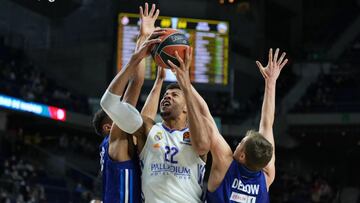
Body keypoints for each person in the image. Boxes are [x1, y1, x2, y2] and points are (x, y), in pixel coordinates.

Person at [168, 48, 288, 202]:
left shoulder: (226, 163)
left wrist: (185, 82)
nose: (238, 144)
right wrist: (270, 83)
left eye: (241, 143)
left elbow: (205, 116)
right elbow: (267, 124)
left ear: (243, 156)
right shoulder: (266, 176)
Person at [101, 34, 207, 203]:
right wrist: (136, 59)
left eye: (174, 95)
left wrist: (185, 84)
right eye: (165, 95)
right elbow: (109, 103)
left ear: (187, 106)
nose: (167, 97)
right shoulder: (148, 129)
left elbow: (202, 146)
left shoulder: (196, 135)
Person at [95, 3, 162, 202]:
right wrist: (142, 42)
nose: (127, 114)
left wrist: (159, 81)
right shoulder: (116, 138)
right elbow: (136, 82)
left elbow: (145, 119)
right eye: (120, 113)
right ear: (109, 126)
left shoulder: (120, 145)